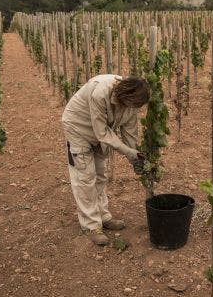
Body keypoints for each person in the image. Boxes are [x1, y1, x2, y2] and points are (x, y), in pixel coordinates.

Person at [61, 75, 149, 246]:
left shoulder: (131, 105)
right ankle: (91, 226)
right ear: (126, 96)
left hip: (100, 134)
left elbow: (129, 133)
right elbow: (102, 133)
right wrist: (128, 152)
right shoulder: (100, 93)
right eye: (133, 105)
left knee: (101, 175)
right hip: (79, 128)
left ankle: (103, 217)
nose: (134, 109)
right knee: (85, 177)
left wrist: (135, 157)